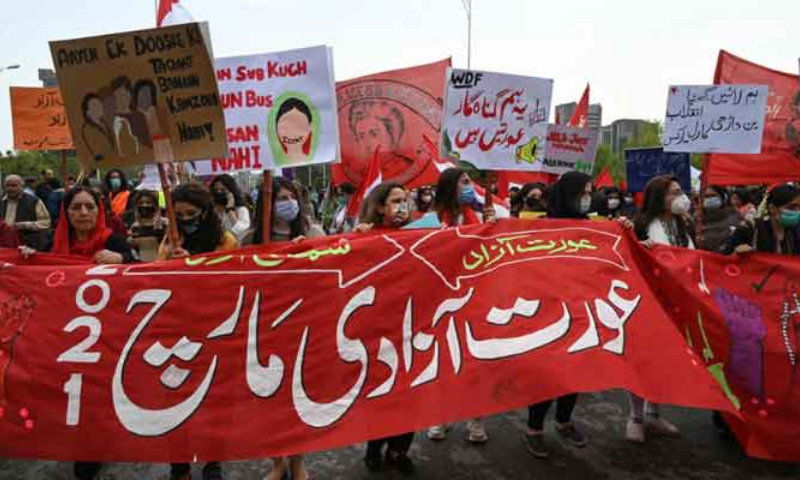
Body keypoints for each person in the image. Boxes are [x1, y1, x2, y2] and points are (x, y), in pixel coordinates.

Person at [20, 185, 134, 480]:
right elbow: (35, 278)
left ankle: (91, 448)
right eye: (75, 208)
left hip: (103, 333)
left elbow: (141, 275)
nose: (83, 213)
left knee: (94, 390)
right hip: (62, 333)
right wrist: (28, 259)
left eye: (89, 207)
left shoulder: (115, 242)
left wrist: (123, 261)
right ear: (65, 213)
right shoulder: (49, 243)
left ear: (99, 211)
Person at [158, 182, 237, 480]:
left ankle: (212, 461)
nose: (186, 220)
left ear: (205, 213)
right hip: (176, 335)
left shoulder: (226, 241)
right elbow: (154, 284)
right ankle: (179, 465)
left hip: (216, 332)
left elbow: (233, 284)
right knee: (174, 400)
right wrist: (170, 264)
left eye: (191, 214)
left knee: (215, 403)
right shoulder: (169, 241)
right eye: (179, 216)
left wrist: (194, 268)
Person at [250, 177, 320, 480]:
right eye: (280, 197)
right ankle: (277, 462)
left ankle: (298, 461)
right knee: (271, 400)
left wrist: (308, 254)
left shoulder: (313, 232)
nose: (287, 202)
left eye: (292, 196)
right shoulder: (249, 239)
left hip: (305, 326)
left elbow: (335, 268)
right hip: (264, 328)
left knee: (300, 396)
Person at [524, 172, 594, 459]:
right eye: (583, 193)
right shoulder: (541, 226)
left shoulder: (594, 228)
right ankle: (534, 429)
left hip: (581, 310)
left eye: (590, 192)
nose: (587, 199)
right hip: (547, 314)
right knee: (546, 375)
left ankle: (564, 421)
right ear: (568, 194)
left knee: (575, 372)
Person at [353, 182, 416, 475]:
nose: (403, 205)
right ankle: (374, 448)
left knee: (412, 395)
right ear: (380, 207)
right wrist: (357, 242)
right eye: (396, 200)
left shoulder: (423, 232)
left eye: (406, 200)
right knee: (382, 394)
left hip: (416, 327)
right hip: (378, 332)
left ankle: (398, 450)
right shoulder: (366, 237)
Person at [428, 168, 493, 444]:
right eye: (465, 182)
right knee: (442, 360)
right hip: (439, 301)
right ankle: (440, 416)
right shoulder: (430, 220)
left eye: (472, 182)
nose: (471, 187)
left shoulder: (485, 215)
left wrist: (492, 226)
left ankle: (476, 419)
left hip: (477, 297)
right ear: (450, 187)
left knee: (475, 362)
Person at [627, 174, 689, 443]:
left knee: (664, 360)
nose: (680, 197)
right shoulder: (640, 224)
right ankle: (635, 417)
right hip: (647, 301)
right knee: (643, 360)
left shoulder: (679, 223)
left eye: (679, 191)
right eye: (673, 193)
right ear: (658, 198)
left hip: (674, 302)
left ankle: (654, 414)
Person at [731, 183, 800, 256]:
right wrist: (736, 254)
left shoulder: (795, 232)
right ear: (772, 208)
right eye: (791, 207)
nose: (798, 211)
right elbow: (724, 259)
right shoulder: (749, 229)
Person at [1, 174, 51, 250]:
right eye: (7, 186)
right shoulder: (1, 202)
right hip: (3, 246)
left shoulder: (34, 201)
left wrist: (24, 225)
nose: (10, 188)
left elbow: (46, 223)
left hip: (27, 246)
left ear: (22, 186)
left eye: (14, 185)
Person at [697, 186, 741, 254]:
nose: (710, 199)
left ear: (722, 197)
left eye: (713, 195)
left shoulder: (734, 215)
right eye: (706, 196)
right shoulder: (697, 219)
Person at [128, 190, 168, 262]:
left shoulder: (164, 223)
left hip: (162, 263)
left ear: (155, 205)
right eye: (141, 203)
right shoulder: (135, 227)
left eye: (148, 202)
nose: (144, 205)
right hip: (142, 264)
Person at [210, 174, 251, 242]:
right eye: (216, 190)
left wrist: (229, 210)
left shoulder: (241, 210)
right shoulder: (211, 209)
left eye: (223, 189)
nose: (219, 192)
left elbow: (242, 233)